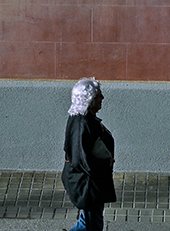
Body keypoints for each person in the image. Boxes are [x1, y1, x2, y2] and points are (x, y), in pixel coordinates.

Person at [61, 77, 116, 231]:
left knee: (88, 221)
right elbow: (81, 160)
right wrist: (106, 163)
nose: (102, 98)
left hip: (89, 183)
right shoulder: (82, 124)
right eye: (99, 96)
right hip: (87, 184)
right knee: (91, 225)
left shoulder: (83, 119)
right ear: (90, 100)